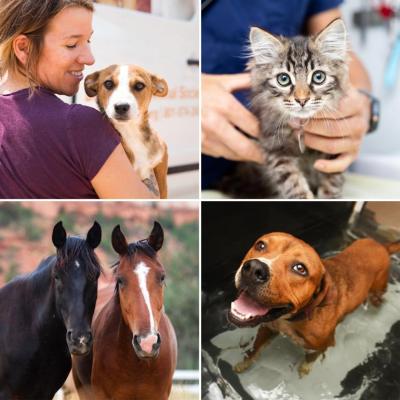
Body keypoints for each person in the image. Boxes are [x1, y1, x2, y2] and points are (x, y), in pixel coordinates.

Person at [201, 0, 372, 190]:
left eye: (317, 77)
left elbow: (346, 55)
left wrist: (363, 102)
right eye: (284, 80)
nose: (301, 97)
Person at [0, 0, 153, 199]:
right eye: (72, 44)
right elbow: (147, 212)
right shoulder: (81, 125)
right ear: (24, 48)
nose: (90, 59)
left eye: (88, 41)